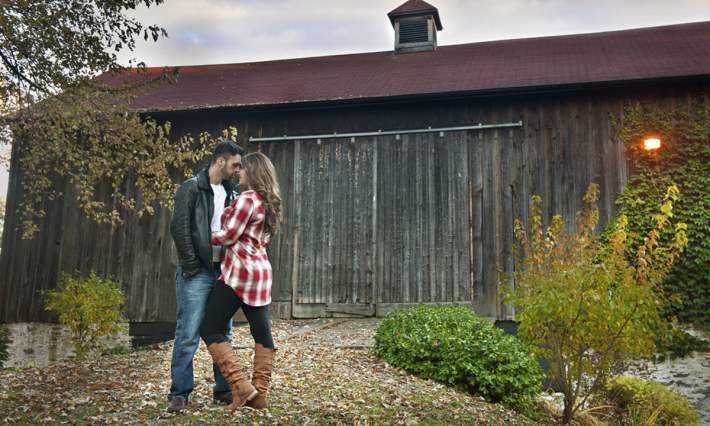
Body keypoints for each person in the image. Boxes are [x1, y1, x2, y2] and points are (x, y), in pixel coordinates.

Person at [167, 140, 245, 412]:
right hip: (197, 272)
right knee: (188, 332)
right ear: (220, 161)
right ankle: (179, 393)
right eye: (235, 164)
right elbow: (180, 228)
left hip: (223, 272)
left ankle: (223, 390)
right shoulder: (191, 188)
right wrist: (191, 266)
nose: (238, 170)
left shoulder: (233, 193)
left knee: (222, 331)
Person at [199, 151, 281, 410]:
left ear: (253, 172)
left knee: (209, 327)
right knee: (261, 333)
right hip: (261, 273)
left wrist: (204, 235)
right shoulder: (269, 203)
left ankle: (242, 387)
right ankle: (260, 396)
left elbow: (229, 235)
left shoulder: (247, 198)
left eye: (243, 168)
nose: (239, 172)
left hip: (239, 273)